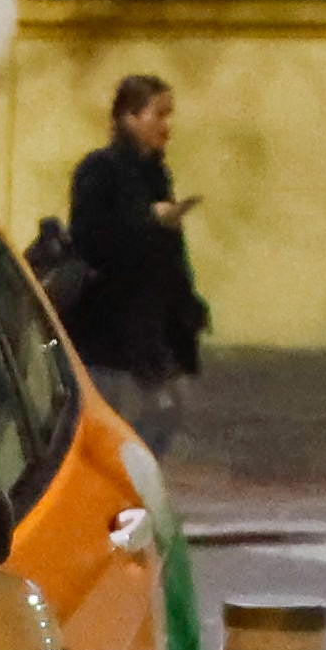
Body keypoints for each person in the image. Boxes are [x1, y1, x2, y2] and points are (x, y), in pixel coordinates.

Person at [64, 74, 207, 459]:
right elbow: (90, 238)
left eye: (168, 115)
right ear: (129, 117)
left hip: (149, 325)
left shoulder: (155, 174)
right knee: (113, 420)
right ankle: (116, 493)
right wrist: (147, 219)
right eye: (158, 114)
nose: (167, 126)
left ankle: (133, 486)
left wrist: (187, 303)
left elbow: (169, 252)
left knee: (168, 409)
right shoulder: (99, 169)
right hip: (108, 324)